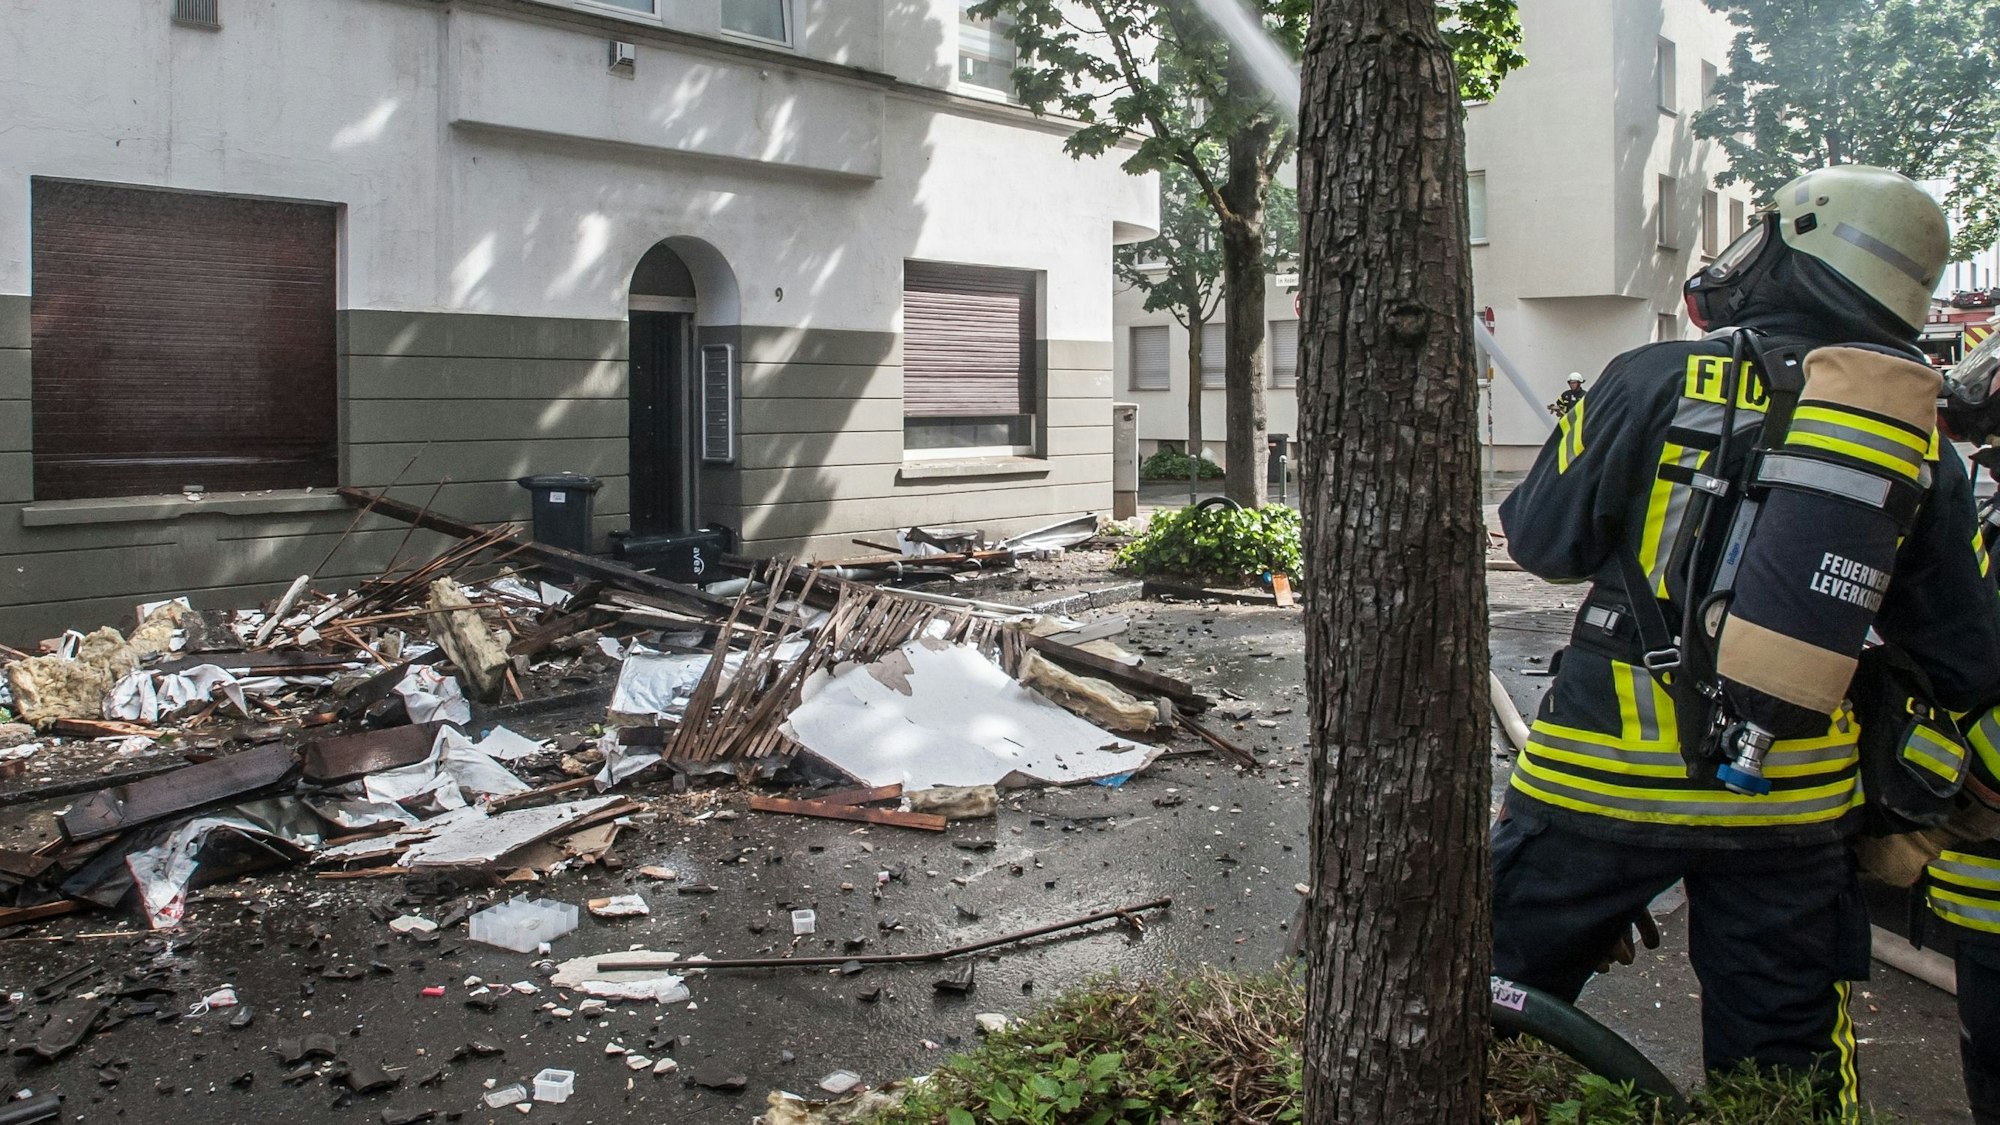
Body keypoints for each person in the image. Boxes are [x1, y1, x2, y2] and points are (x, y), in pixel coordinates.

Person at [1492, 164, 2000, 1117]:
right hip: (1792, 805)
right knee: (1787, 1072)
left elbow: (1540, 538)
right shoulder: (1914, 440)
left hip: (1595, 787)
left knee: (1484, 1005)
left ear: (1800, 251)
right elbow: (1968, 652)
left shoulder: (1656, 377)